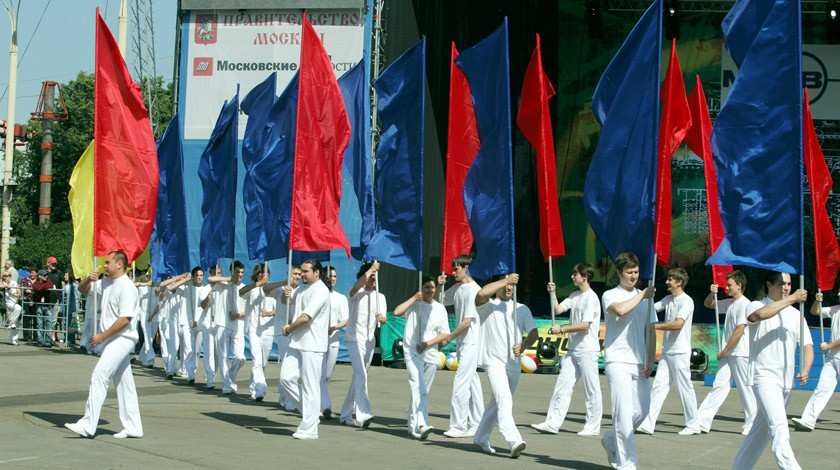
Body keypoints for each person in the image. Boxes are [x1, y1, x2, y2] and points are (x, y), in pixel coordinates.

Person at [732, 271, 812, 470]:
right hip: (764, 378)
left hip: (785, 383)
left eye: (789, 284)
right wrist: (794, 298)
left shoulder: (795, 314)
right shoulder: (756, 305)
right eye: (781, 283)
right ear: (769, 284)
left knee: (759, 434)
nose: (786, 288)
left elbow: (808, 346)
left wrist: (806, 368)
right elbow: (759, 315)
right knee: (779, 429)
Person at [64, 251, 143, 439]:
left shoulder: (127, 287)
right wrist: (87, 279)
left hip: (123, 338)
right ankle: (134, 427)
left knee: (100, 374)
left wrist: (101, 336)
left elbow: (125, 319)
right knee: (125, 384)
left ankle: (88, 423)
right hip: (111, 338)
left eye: (108, 262)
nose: (104, 265)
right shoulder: (106, 283)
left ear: (119, 265)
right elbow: (84, 290)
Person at [680, 270, 755, 436]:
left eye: (729, 285)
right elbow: (709, 304)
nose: (726, 288)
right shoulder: (730, 303)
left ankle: (751, 423)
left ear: (739, 286)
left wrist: (724, 351)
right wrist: (712, 292)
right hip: (729, 354)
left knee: (745, 389)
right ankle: (701, 422)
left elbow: (739, 331)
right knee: (718, 387)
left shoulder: (745, 304)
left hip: (740, 353)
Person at [531, 263, 603, 436]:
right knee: (562, 386)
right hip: (573, 349)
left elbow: (585, 325)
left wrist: (562, 329)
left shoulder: (591, 298)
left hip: (587, 350)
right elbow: (558, 309)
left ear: (584, 277)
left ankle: (592, 426)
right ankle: (553, 423)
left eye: (575, 274)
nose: (572, 277)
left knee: (591, 388)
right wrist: (553, 293)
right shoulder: (575, 295)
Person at [472, 273, 538, 458]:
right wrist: (506, 280)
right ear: (498, 285)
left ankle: (480, 436)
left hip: (513, 364)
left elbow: (533, 333)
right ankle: (513, 439)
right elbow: (481, 294)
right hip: (493, 361)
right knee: (504, 399)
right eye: (505, 285)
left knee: (496, 403)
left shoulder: (521, 309)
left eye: (511, 286)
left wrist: (524, 345)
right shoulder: (488, 306)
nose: (509, 288)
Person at [600, 252, 655, 470]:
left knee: (642, 411)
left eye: (636, 272)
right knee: (622, 414)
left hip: (638, 361)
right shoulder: (610, 295)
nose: (633, 276)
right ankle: (627, 463)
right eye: (629, 272)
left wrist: (650, 359)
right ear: (619, 273)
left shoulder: (645, 296)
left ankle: (612, 438)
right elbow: (621, 311)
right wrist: (642, 296)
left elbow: (650, 330)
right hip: (617, 360)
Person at [636, 268, 697, 434]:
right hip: (667, 352)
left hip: (680, 352)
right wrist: (646, 297)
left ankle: (693, 424)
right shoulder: (668, 299)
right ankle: (648, 423)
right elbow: (651, 309)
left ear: (679, 282)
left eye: (670, 279)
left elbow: (677, 325)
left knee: (685, 387)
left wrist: (654, 326)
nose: (667, 282)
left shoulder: (687, 301)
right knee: (658, 387)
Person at [394, 276, 451, 440]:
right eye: (426, 287)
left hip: (430, 353)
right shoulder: (415, 304)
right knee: (418, 386)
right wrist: (414, 297)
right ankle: (421, 423)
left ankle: (412, 426)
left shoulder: (440, 308)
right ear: (421, 288)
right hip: (412, 351)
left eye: (432, 287)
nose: (429, 290)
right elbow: (397, 311)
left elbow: (445, 333)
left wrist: (428, 344)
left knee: (422, 390)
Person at [280, 259, 331, 440]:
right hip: (297, 342)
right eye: (301, 271)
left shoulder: (321, 291)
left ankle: (310, 429)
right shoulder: (302, 289)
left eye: (306, 271)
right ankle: (310, 414)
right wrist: (287, 293)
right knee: (285, 378)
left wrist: (289, 328)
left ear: (316, 272)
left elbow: (305, 318)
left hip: (313, 344)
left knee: (310, 386)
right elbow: (288, 301)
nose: (302, 274)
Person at [438, 254, 484, 438]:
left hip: (471, 341)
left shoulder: (475, 290)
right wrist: (440, 285)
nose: (453, 272)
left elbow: (467, 322)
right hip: (461, 342)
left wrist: (448, 338)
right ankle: (478, 423)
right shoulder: (457, 288)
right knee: (472, 380)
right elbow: (440, 300)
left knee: (461, 381)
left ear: (466, 267)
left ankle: (459, 426)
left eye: (456, 268)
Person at [340, 261, 387, 428]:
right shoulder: (356, 293)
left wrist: (382, 319)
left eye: (375, 276)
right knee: (361, 375)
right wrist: (370, 269)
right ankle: (363, 414)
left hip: (369, 341)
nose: (373, 279)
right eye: (370, 276)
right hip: (354, 339)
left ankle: (345, 414)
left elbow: (384, 319)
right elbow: (354, 289)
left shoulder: (380, 296)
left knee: (358, 377)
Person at [790, 286, 840, 432]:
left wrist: (829, 345)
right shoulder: (835, 309)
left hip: (834, 352)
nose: (838, 293)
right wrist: (817, 302)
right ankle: (808, 420)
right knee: (822, 388)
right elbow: (815, 312)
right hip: (832, 358)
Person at [263, 264, 301, 409]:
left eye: (298, 274)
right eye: (294, 274)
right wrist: (284, 284)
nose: (296, 277)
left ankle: (284, 393)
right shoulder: (280, 290)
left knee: (295, 368)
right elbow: (265, 289)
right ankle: (289, 399)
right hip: (283, 333)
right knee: (287, 365)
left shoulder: (302, 291)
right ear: (288, 274)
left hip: (297, 332)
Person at [239, 263, 275, 401]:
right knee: (257, 360)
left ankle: (254, 386)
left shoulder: (272, 290)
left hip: (268, 330)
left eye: (265, 273)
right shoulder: (252, 289)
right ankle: (261, 389)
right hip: (254, 329)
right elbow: (241, 292)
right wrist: (258, 284)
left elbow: (280, 309)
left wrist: (270, 313)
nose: (263, 275)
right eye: (260, 273)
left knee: (263, 362)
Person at [321, 266, 348, 418]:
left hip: (333, 341)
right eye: (330, 276)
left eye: (335, 276)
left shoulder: (340, 298)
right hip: (318, 341)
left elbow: (345, 319)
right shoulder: (319, 295)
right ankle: (325, 405)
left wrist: (334, 327)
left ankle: (320, 400)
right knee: (320, 375)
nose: (332, 279)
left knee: (327, 375)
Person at [219, 261, 246, 394]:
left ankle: (230, 377)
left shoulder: (245, 288)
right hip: (223, 326)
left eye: (241, 272)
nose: (239, 275)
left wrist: (238, 315)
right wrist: (229, 279)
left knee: (240, 357)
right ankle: (226, 385)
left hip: (238, 327)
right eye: (237, 272)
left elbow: (250, 309)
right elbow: (210, 279)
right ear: (231, 272)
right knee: (223, 357)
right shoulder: (225, 285)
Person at [178, 267, 208, 385]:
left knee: (196, 351)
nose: (199, 278)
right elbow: (171, 288)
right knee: (189, 348)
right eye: (197, 275)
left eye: (201, 275)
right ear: (193, 276)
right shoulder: (186, 288)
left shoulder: (205, 290)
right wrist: (185, 280)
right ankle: (190, 373)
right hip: (187, 323)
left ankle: (193, 371)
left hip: (199, 324)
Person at [135, 271, 159, 368]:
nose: (150, 278)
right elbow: (134, 284)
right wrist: (146, 283)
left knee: (150, 338)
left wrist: (152, 316)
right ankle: (150, 358)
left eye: (151, 276)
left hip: (154, 317)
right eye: (148, 276)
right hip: (144, 316)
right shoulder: (143, 289)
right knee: (147, 337)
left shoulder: (157, 289)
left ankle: (142, 357)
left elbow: (158, 305)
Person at [32, 269, 55, 347]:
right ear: (39, 276)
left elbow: (50, 286)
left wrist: (42, 287)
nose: (46, 277)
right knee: (39, 324)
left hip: (47, 305)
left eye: (46, 275)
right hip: (39, 305)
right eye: (44, 275)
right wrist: (43, 287)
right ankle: (40, 341)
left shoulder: (48, 281)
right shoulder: (36, 283)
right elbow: (37, 288)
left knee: (49, 323)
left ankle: (48, 341)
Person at [2, 270, 21, 345]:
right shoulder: (2, 282)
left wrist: (13, 293)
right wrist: (7, 286)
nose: (9, 277)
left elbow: (19, 293)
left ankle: (14, 339)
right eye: (7, 275)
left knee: (17, 321)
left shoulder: (14, 282)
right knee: (18, 308)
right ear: (3, 277)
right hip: (7, 303)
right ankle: (11, 323)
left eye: (10, 275)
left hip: (15, 301)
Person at [62, 271, 81, 346]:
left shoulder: (74, 286)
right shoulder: (65, 286)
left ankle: (71, 339)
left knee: (71, 323)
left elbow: (77, 297)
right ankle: (66, 337)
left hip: (72, 307)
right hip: (65, 306)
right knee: (65, 323)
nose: (64, 276)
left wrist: (76, 308)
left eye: (66, 275)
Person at [20, 269, 34, 341]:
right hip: (26, 300)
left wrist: (31, 291)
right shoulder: (25, 280)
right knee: (26, 318)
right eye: (31, 273)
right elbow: (23, 288)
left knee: (35, 318)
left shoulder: (38, 280)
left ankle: (36, 336)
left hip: (35, 301)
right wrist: (34, 291)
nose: (32, 275)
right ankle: (26, 336)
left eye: (33, 273)